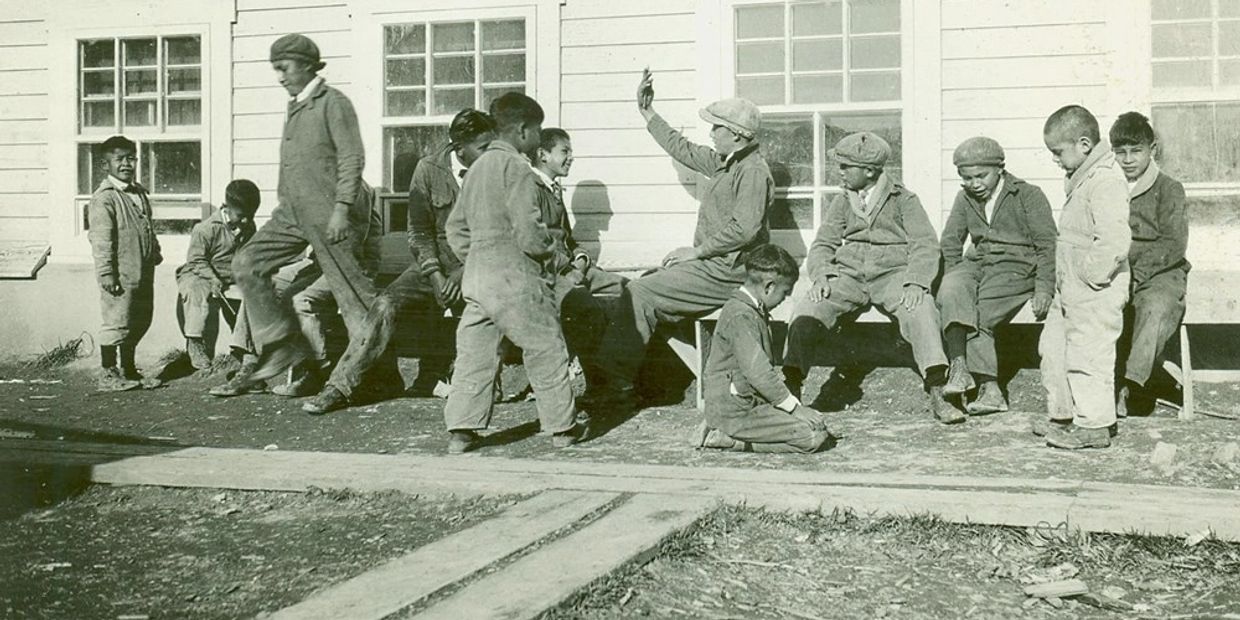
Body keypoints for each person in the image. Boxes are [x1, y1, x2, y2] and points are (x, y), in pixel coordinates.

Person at [590, 69, 773, 414]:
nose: (711, 133)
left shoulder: (751, 171)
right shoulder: (727, 162)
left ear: (735, 134)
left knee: (641, 293)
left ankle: (617, 386)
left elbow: (745, 230)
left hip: (730, 272)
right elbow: (684, 150)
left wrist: (696, 252)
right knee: (647, 285)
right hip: (712, 266)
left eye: (716, 127)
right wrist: (649, 114)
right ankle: (643, 380)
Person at [299, 109, 495, 415]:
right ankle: (340, 386)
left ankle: (452, 381)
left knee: (478, 306)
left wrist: (461, 274)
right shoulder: (428, 170)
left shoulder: (496, 170)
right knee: (386, 303)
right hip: (435, 264)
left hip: (480, 264)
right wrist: (436, 276)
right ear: (459, 147)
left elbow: (500, 235)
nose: (489, 154)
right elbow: (419, 233)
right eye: (482, 148)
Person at [230, 33, 377, 386]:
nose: (280, 76)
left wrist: (342, 209)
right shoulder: (296, 106)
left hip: (330, 216)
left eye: (284, 68)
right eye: (275, 69)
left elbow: (352, 158)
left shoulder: (333, 103)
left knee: (355, 303)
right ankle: (281, 345)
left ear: (309, 66)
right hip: (292, 214)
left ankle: (369, 378)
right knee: (246, 263)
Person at [441, 93, 585, 453]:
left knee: (475, 353)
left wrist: (476, 258)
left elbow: (455, 228)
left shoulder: (476, 169)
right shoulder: (517, 168)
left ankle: (461, 430)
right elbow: (529, 231)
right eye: (537, 131)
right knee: (546, 345)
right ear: (523, 131)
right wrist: (551, 256)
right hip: (514, 278)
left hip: (477, 278)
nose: (538, 139)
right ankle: (562, 428)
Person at [783, 132, 954, 423]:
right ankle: (790, 390)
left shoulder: (904, 199)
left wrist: (915, 281)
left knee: (920, 308)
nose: (840, 173)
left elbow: (925, 244)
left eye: (846, 167)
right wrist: (822, 274)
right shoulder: (842, 202)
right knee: (807, 309)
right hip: (848, 275)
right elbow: (824, 242)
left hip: (893, 274)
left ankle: (939, 389)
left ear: (870, 171)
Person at [936, 137, 1057, 414]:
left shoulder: (1028, 195)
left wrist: (1044, 289)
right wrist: (954, 274)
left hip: (1016, 267)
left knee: (979, 312)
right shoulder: (964, 197)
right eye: (967, 178)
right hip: (978, 262)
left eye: (981, 176)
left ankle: (990, 388)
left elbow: (1048, 245)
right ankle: (959, 368)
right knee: (951, 288)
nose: (974, 183)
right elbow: (951, 240)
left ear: (1000, 169)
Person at [1036, 104, 1132, 450]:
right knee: (1054, 347)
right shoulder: (1083, 176)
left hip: (1096, 283)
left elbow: (1114, 240)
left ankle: (1094, 425)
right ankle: (1063, 414)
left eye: (1058, 152)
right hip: (1071, 283)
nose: (1056, 160)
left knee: (1089, 352)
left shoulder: (1105, 180)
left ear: (1084, 145)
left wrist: (1091, 277)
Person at [693, 244, 831, 453]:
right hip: (734, 412)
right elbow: (759, 372)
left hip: (748, 404)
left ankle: (727, 435)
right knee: (812, 436)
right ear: (769, 286)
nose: (784, 299)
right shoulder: (740, 315)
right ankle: (727, 438)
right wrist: (794, 409)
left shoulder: (750, 310)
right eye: (784, 293)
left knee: (817, 428)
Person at [530, 127, 627, 391]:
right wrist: (570, 269)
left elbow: (567, 240)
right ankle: (597, 381)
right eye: (565, 151)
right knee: (586, 309)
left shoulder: (553, 189)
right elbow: (536, 245)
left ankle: (619, 371)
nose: (571, 157)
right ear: (542, 154)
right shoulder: (531, 189)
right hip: (550, 275)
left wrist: (581, 259)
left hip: (573, 268)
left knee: (627, 289)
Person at [1109, 111, 1190, 418]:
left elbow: (1173, 244)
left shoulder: (1169, 188)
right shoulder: (1109, 186)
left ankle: (1135, 385)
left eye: (1136, 151)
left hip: (1161, 270)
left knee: (1155, 306)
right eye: (1120, 152)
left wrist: (1137, 274)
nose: (1128, 159)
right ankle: (1104, 382)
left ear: (1152, 149)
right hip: (1118, 267)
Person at [87, 135, 163, 392]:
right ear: (105, 165)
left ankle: (128, 371)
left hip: (142, 270)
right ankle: (108, 374)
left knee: (139, 319)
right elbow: (101, 240)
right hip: (120, 272)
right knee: (117, 320)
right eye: (119, 159)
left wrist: (155, 250)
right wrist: (107, 273)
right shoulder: (105, 198)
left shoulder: (139, 193)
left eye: (131, 158)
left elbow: (147, 227)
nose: (126, 164)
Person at [176, 180, 260, 371]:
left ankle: (242, 348)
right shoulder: (206, 228)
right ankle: (195, 341)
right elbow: (196, 260)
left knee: (250, 295)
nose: (246, 221)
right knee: (197, 291)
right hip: (200, 272)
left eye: (250, 216)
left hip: (228, 275)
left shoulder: (248, 225)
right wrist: (213, 278)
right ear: (227, 207)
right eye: (241, 215)